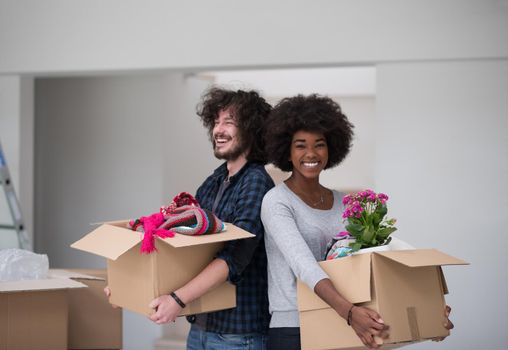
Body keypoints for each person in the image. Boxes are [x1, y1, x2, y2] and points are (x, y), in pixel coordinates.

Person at [260, 94, 452, 350]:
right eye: (300, 145)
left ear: (331, 148)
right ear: (286, 150)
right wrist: (349, 312)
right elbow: (304, 265)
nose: (311, 153)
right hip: (296, 329)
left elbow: (369, 266)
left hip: (343, 321)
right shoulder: (277, 202)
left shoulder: (344, 203)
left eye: (319, 144)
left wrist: (428, 311)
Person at [147, 87, 275, 349]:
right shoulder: (212, 182)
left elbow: (234, 257)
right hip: (201, 328)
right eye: (216, 122)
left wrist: (178, 299)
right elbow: (190, 253)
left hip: (239, 334)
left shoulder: (256, 182)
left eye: (229, 122)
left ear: (251, 130)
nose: (219, 130)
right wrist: (135, 287)